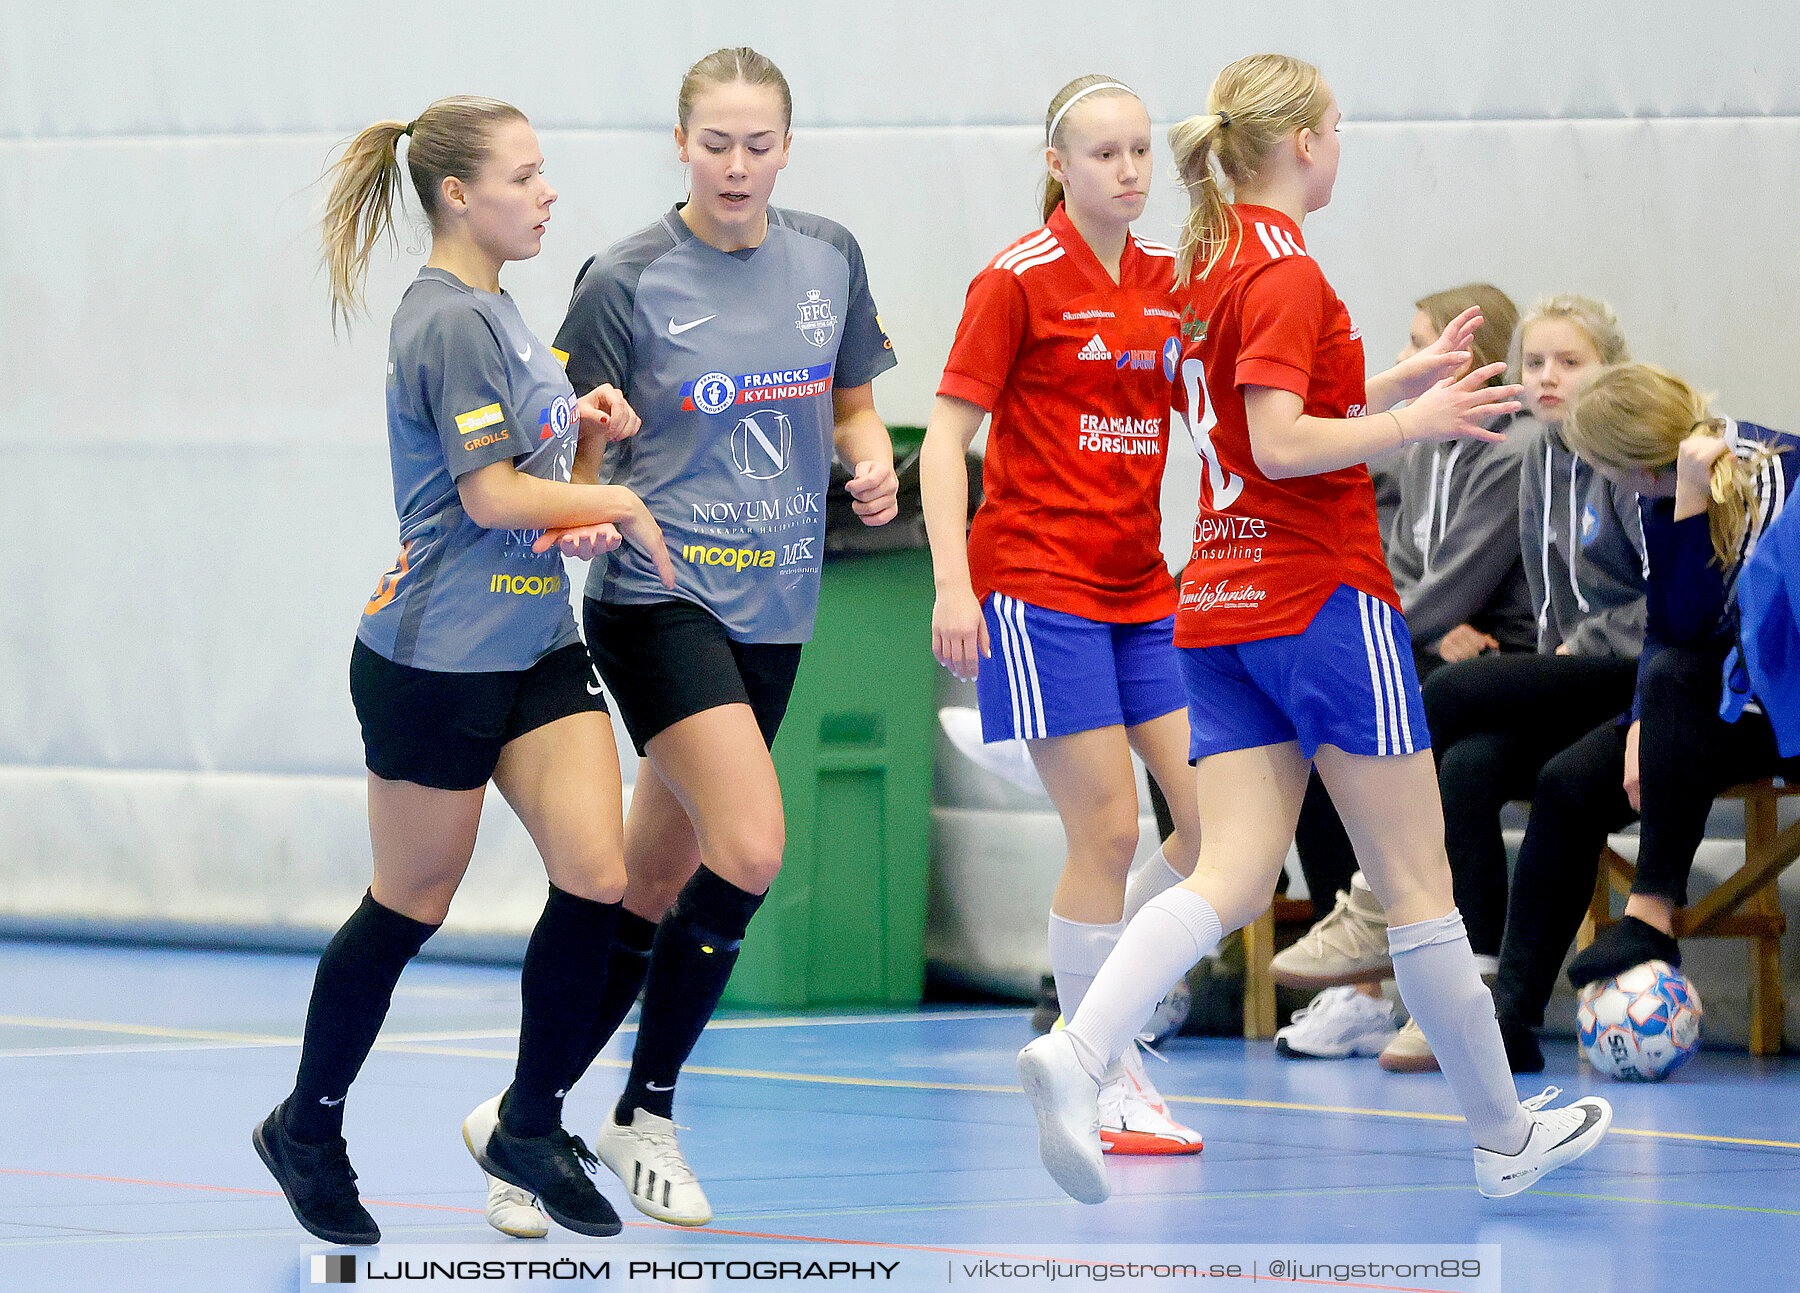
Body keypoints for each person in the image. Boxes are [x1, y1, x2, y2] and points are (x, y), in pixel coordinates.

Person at [1015, 54, 1611, 1206]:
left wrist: (1399, 376)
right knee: (1418, 880)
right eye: (1337, 129)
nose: (1342, 146)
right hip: (1320, 600)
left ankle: (1083, 1049)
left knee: (1232, 872)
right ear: (1300, 145)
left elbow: (1256, 419)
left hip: (1220, 606)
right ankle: (1501, 1136)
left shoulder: (1209, 266)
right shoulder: (1287, 272)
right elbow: (1282, 442)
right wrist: (1415, 416)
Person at [476, 47, 899, 1233]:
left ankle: (522, 1117)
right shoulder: (624, 280)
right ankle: (642, 1112)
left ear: (787, 147)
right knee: (753, 844)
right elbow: (568, 452)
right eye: (715, 143)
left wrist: (867, 461)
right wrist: (592, 472)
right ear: (680, 145)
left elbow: (852, 397)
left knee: (656, 879)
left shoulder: (829, 256)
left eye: (759, 144)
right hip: (658, 600)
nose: (737, 165)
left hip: (783, 605)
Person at [253, 95, 674, 1246]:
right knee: (411, 904)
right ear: (457, 195)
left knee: (598, 876)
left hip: (534, 646)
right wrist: (616, 498)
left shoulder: (502, 312)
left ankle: (530, 1123)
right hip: (432, 661)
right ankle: (308, 1126)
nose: (547, 194)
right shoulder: (441, 321)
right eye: (526, 176)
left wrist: (586, 439)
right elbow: (489, 500)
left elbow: (529, 491)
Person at [920, 75, 1204, 1157]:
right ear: (1058, 164)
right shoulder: (1017, 281)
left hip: (1145, 587)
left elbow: (1244, 404)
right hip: (1040, 587)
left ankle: (1095, 1008)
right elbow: (946, 442)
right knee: (1111, 827)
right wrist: (956, 582)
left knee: (1213, 829)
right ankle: (1104, 1071)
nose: (1129, 171)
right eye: (1105, 154)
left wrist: (1397, 405)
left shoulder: (1172, 283)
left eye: (1141, 153)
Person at [1271, 296, 1643, 1073]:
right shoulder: (1545, 454)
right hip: (1559, 668)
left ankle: (1377, 904)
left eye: (1568, 362)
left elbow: (1660, 597)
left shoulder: (1623, 453)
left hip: (1624, 669)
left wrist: (1578, 644)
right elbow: (1541, 589)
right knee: (1468, 766)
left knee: (1440, 698)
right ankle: (1475, 1001)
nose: (1546, 378)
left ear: (1611, 369)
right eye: (1535, 362)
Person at [1274, 284, 1538, 1066]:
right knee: (1314, 727)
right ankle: (1358, 979)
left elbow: (1445, 589)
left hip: (1503, 660)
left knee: (1458, 757)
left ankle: (1404, 947)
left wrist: (1402, 615)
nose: (1400, 357)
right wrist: (1412, 614)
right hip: (1431, 643)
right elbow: (1414, 580)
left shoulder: (1508, 449)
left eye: (1418, 339)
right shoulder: (1425, 447)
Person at [1495, 363, 1797, 1025]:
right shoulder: (1664, 493)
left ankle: (1651, 910)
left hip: (1781, 706)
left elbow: (1702, 636)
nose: (1604, 482)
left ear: (1635, 465)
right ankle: (1510, 1021)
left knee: (1673, 677)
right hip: (1718, 712)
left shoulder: (1767, 474)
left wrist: (1691, 498)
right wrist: (1641, 726)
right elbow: (1667, 630)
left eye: (1603, 467)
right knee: (1569, 782)